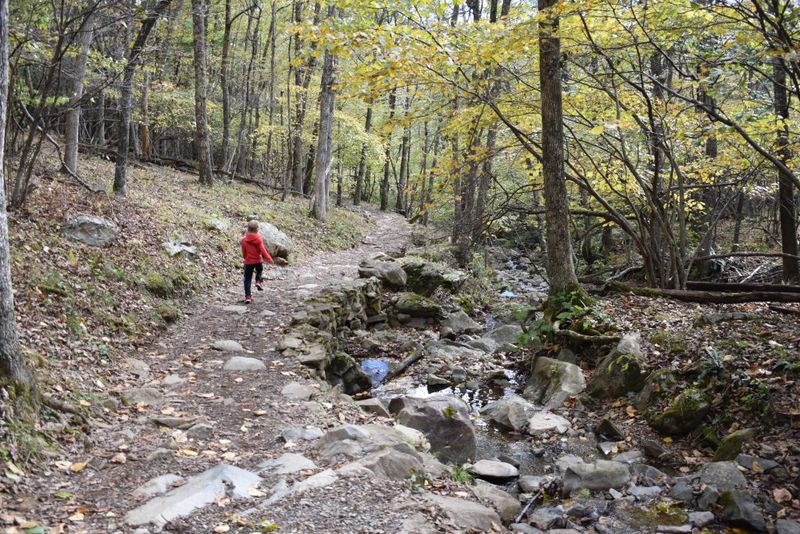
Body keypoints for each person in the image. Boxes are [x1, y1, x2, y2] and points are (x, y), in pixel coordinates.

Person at [240, 220, 273, 304]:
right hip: (258, 260)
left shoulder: (243, 240)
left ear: (248, 228)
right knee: (259, 270)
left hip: (248, 262)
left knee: (247, 279)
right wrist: (268, 258)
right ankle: (258, 281)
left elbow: (244, 252)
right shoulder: (258, 238)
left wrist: (245, 258)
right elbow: (262, 250)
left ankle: (248, 297)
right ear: (257, 229)